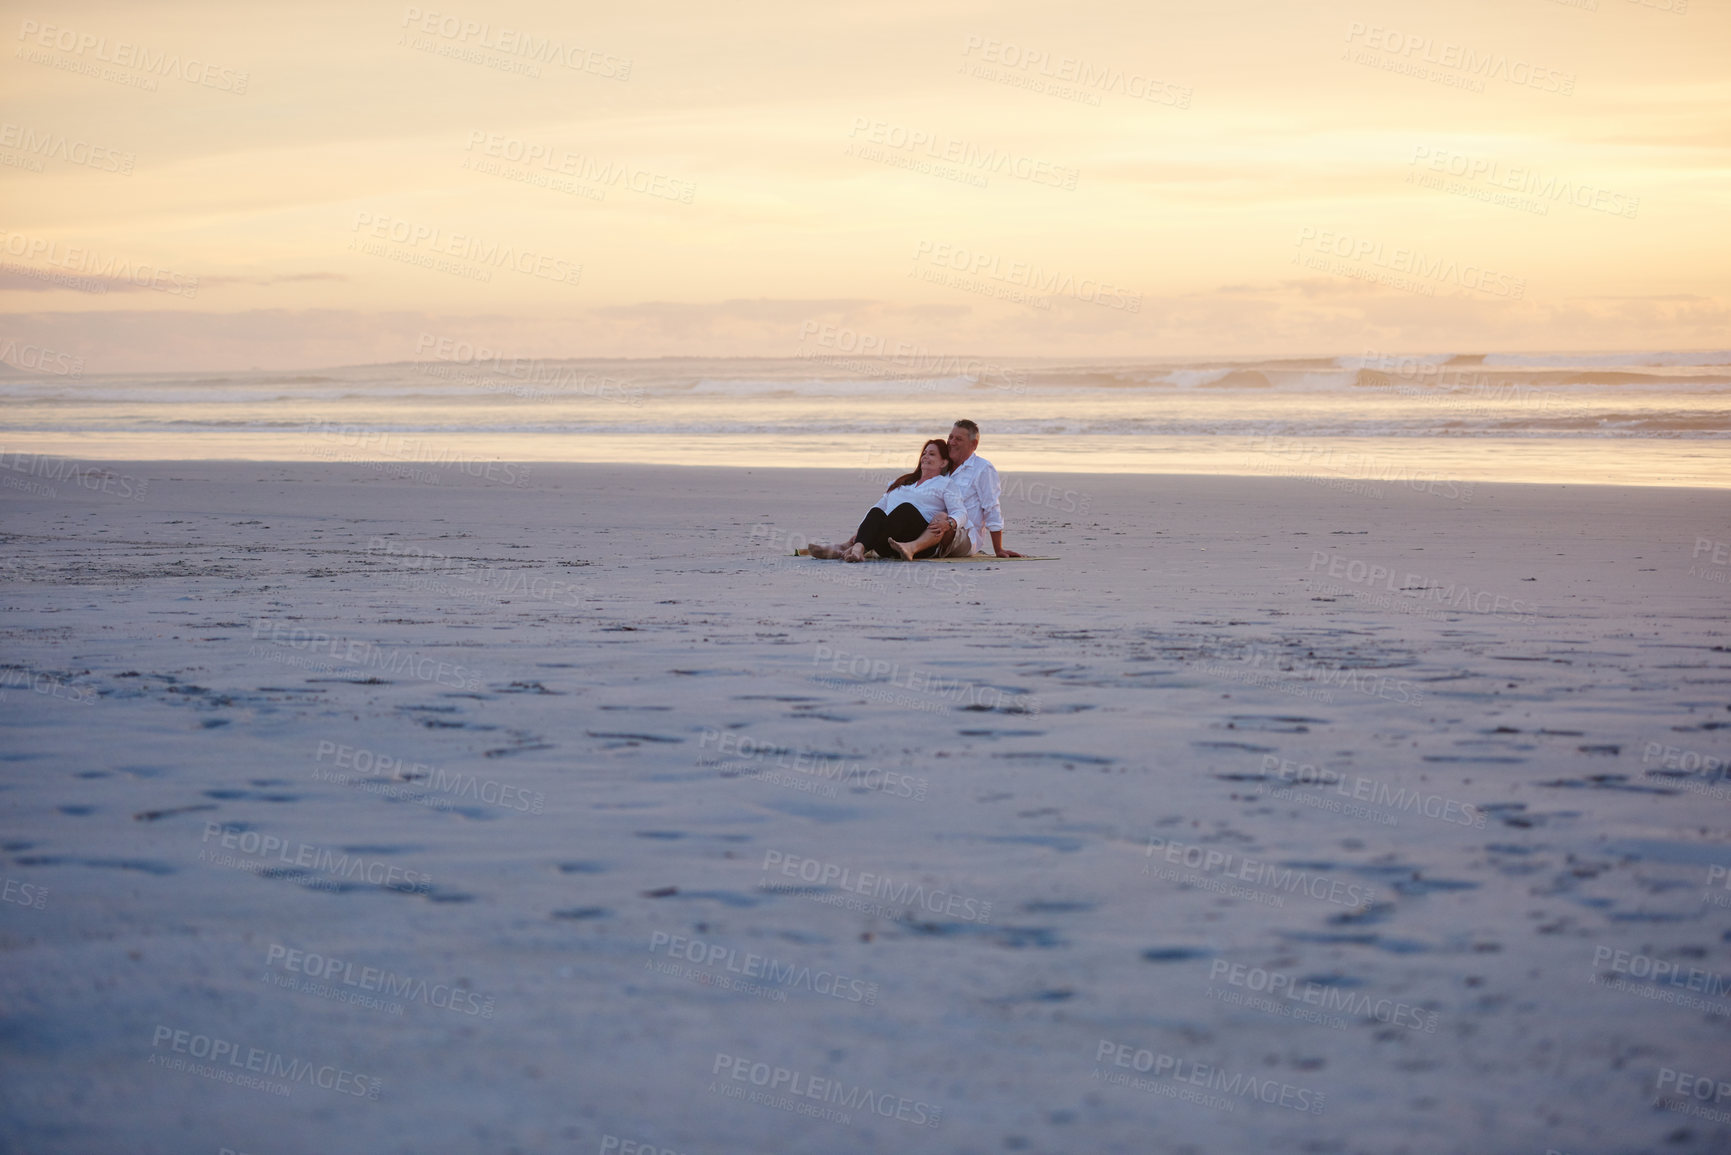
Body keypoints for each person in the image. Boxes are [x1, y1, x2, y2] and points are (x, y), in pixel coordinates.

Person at [807, 439, 967, 562]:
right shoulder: (903, 482)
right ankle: (855, 548)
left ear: (943, 462)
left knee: (906, 509)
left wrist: (950, 523)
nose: (925, 456)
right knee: (876, 511)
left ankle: (847, 549)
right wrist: (860, 533)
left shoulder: (946, 484)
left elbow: (960, 512)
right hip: (886, 542)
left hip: (916, 537)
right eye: (924, 453)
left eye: (932, 454)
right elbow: (878, 508)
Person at [930, 419, 1021, 558]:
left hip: (964, 535)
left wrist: (999, 549)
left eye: (958, 439)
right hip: (933, 526)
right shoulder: (941, 466)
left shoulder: (983, 468)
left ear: (974, 444)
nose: (951, 442)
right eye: (950, 437)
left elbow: (991, 507)